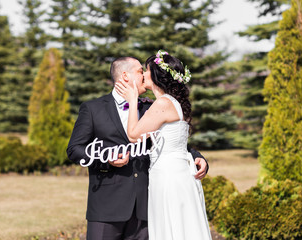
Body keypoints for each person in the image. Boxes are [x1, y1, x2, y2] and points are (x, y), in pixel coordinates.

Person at [67, 56, 208, 240]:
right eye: (140, 71)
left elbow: (171, 141)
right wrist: (106, 159)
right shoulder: (93, 109)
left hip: (146, 208)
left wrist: (197, 156)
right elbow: (74, 149)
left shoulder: (152, 107)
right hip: (106, 208)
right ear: (125, 76)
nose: (144, 76)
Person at [115, 50, 212, 240]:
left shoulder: (163, 104)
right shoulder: (172, 102)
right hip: (176, 172)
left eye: (147, 70)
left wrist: (132, 100)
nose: (143, 74)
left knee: (173, 226)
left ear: (157, 76)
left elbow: (134, 135)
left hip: (169, 176)